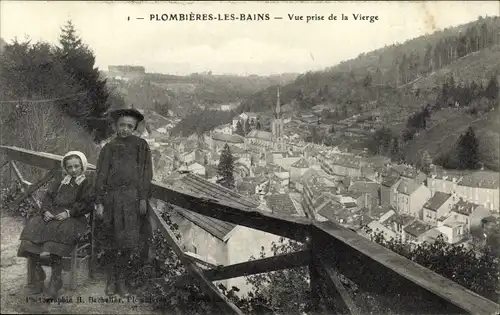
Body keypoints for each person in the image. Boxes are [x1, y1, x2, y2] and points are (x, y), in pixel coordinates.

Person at [17, 151, 94, 298]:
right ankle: (39, 276)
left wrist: (68, 212)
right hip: (53, 214)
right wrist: (45, 211)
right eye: (69, 167)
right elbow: (48, 197)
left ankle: (56, 279)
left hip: (74, 218)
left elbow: (87, 203)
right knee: (33, 227)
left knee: (59, 233)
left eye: (76, 166)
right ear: (65, 167)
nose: (73, 170)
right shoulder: (61, 180)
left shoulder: (86, 183)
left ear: (82, 166)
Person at [95, 108, 153, 297]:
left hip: (132, 201)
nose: (125, 129)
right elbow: (100, 176)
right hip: (111, 200)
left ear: (135, 128)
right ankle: (112, 280)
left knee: (128, 243)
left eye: (130, 126)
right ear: (116, 126)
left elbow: (146, 174)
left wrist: (143, 198)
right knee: (112, 241)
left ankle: (122, 280)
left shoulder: (142, 146)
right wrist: (100, 202)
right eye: (122, 125)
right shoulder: (109, 148)